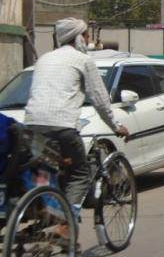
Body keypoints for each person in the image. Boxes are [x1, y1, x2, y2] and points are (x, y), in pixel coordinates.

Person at [24, 18, 130, 222]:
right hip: (63, 126)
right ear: (79, 38)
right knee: (80, 173)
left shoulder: (44, 59)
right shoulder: (84, 61)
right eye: (87, 35)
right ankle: (66, 223)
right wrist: (116, 126)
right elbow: (100, 100)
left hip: (32, 125)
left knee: (44, 169)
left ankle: (43, 209)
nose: (89, 40)